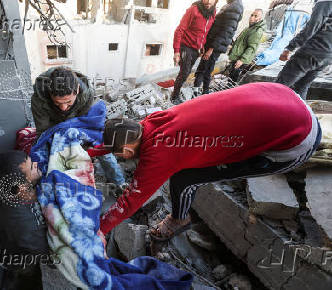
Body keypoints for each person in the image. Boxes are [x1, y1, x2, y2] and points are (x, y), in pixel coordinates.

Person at [98, 82, 321, 240]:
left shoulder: (159, 154)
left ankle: (179, 219)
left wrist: (100, 229)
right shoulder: (151, 122)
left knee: (184, 178)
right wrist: (89, 153)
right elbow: (117, 139)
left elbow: (130, 201)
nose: (120, 160)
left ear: (127, 148)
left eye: (120, 156)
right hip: (283, 97)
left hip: (297, 140)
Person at [31, 66, 126, 191]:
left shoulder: (87, 94)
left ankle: (120, 184)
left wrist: (78, 138)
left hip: (78, 122)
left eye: (68, 102)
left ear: (77, 89)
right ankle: (63, 189)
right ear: (50, 94)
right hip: (54, 127)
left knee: (100, 146)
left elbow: (89, 123)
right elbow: (43, 131)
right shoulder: (39, 100)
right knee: (52, 156)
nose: (63, 107)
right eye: (58, 103)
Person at [0, 150, 48, 290]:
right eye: (32, 168)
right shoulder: (25, 225)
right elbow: (47, 254)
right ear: (21, 187)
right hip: (19, 260)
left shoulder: (8, 189)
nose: (36, 164)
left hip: (6, 241)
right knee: (28, 279)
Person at [276, 0, 332, 99]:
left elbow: (311, 28)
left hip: (312, 51)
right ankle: (300, 113)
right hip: (326, 56)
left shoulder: (325, 2)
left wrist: (290, 47)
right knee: (301, 87)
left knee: (279, 86)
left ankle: (266, 112)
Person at [194, 0, 244, 95]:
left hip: (214, 45)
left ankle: (197, 92)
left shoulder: (234, 7)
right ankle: (203, 92)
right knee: (206, 67)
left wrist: (211, 49)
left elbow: (225, 31)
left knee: (204, 68)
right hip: (214, 44)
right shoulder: (232, 6)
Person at [171, 0, 217, 102]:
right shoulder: (194, 10)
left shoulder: (213, 12)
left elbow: (205, 32)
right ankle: (174, 96)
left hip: (197, 49)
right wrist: (177, 51)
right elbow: (179, 30)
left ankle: (176, 92)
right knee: (185, 72)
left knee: (186, 72)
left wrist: (202, 45)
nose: (208, 2)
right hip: (186, 46)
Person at [227, 9, 265, 82]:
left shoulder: (257, 31)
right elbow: (241, 42)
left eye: (255, 16)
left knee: (233, 81)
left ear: (259, 19)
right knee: (230, 77)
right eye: (252, 15)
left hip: (241, 60)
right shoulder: (249, 28)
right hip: (237, 57)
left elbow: (252, 47)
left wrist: (242, 60)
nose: (252, 17)